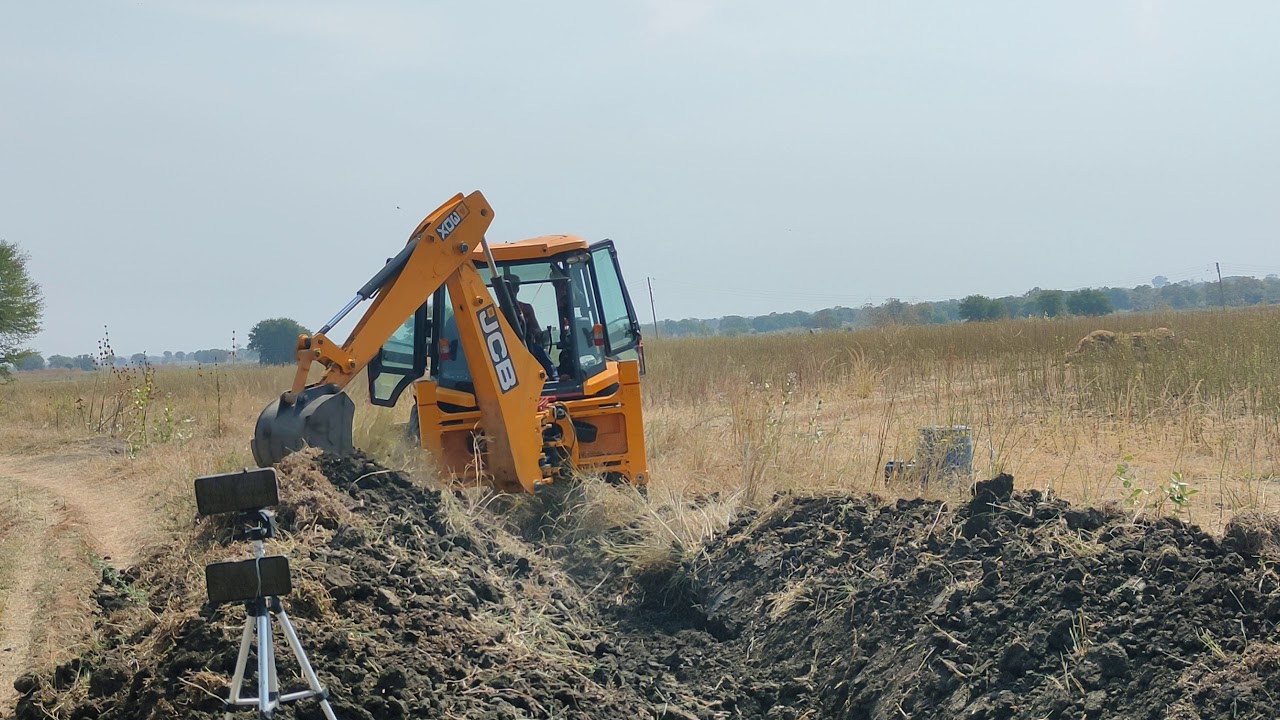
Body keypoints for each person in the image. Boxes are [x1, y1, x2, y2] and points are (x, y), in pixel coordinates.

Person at [503, 274, 559, 382]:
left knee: (540, 351)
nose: (511, 292)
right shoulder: (497, 312)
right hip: (505, 348)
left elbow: (536, 329)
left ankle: (554, 379)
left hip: (526, 345)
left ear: (517, 290)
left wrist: (539, 333)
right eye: (508, 289)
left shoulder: (525, 308)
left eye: (514, 288)